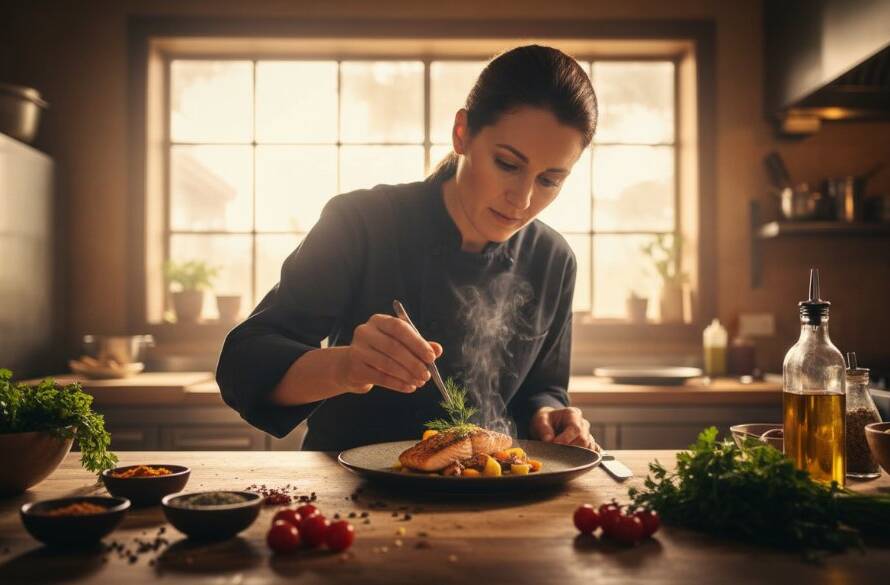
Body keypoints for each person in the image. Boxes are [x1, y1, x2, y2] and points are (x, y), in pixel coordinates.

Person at [217, 44, 598, 452]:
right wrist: (346, 366)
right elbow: (244, 364)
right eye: (507, 164)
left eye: (550, 180)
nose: (522, 200)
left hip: (490, 492)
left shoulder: (554, 259)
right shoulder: (361, 222)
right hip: (351, 492)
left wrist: (550, 415)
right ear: (462, 134)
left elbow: (543, 388)